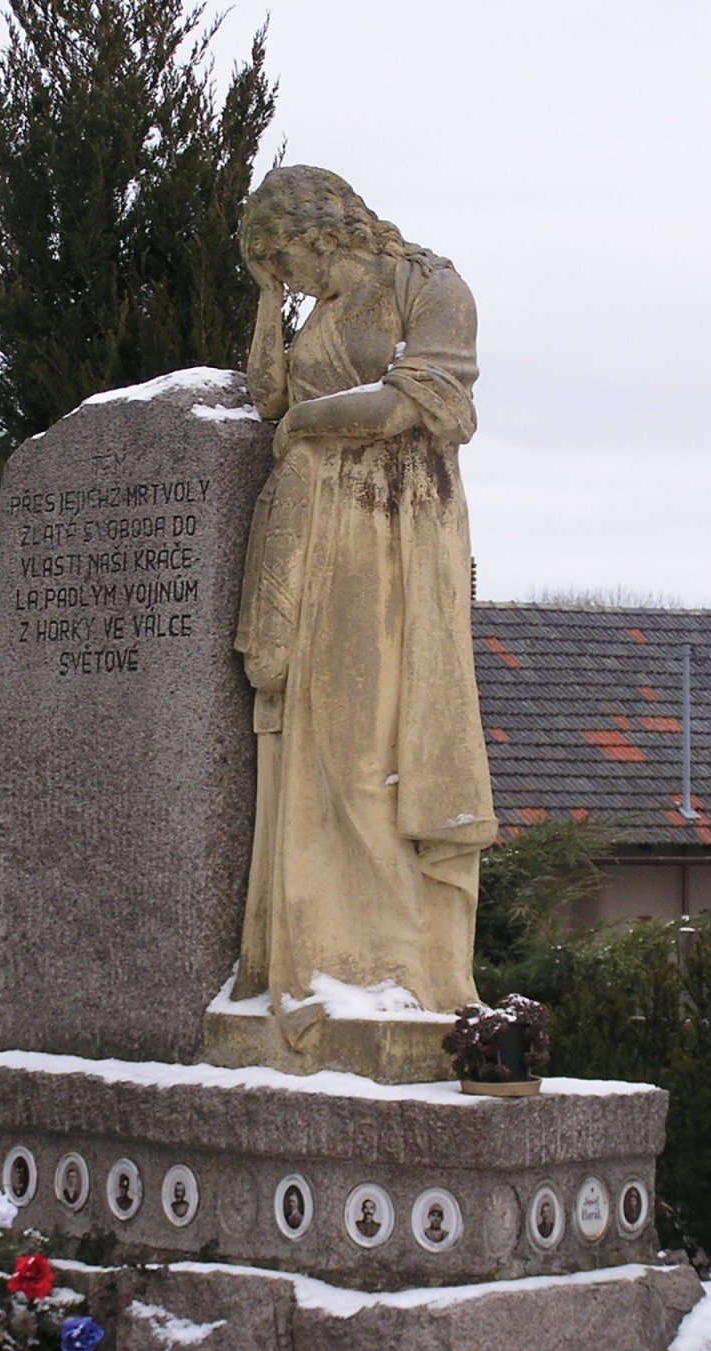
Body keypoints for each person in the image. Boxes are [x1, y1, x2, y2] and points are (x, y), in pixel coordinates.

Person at [232, 167, 497, 1032]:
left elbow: (419, 407)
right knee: (316, 731)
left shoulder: (430, 285)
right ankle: (319, 951)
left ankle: (395, 962)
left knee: (376, 731)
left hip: (396, 524)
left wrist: (303, 429)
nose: (290, 273)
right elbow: (267, 393)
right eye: (273, 264)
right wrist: (270, 304)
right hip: (316, 529)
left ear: (321, 226)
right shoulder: (312, 313)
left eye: (286, 257)